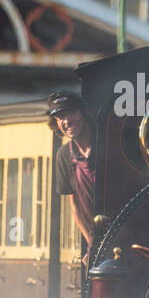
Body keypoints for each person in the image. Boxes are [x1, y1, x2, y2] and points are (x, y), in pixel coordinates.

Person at [47, 91, 94, 253]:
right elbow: (75, 207)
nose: (67, 121)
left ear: (83, 112)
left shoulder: (107, 141)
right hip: (96, 237)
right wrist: (91, 241)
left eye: (71, 113)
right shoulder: (64, 155)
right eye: (60, 117)